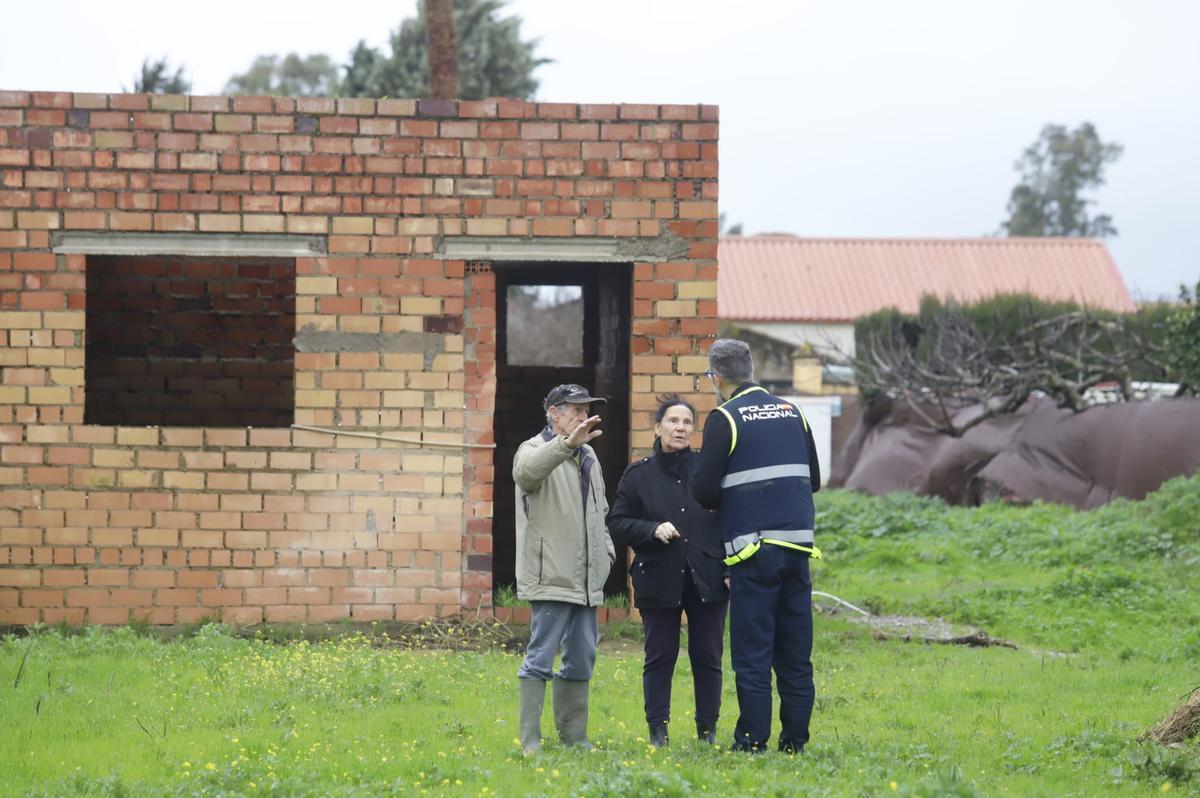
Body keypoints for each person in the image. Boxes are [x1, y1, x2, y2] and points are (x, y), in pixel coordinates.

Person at [691, 339, 822, 754]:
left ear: (718, 378)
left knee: (752, 652)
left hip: (752, 552)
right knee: (795, 653)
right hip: (798, 550)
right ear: (752, 369)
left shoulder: (725, 418)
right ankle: (795, 742)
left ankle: (751, 741)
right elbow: (813, 479)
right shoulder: (793, 411)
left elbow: (704, 491)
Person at [607, 394, 729, 748]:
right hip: (658, 575)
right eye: (673, 421)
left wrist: (728, 565)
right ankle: (658, 730)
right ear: (657, 427)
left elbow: (729, 517)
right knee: (660, 655)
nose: (680, 428)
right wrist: (650, 530)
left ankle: (707, 730)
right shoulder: (638, 474)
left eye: (687, 422)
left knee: (708, 655)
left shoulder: (709, 469)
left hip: (708, 574)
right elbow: (616, 521)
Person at [513, 383, 616, 754]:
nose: (582, 416)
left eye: (586, 410)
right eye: (574, 409)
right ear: (553, 413)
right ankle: (530, 743)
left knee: (582, 657)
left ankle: (575, 739)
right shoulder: (533, 449)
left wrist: (606, 554)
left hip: (586, 579)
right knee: (540, 657)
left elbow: (600, 512)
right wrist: (565, 445)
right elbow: (526, 474)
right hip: (551, 576)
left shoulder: (588, 455)